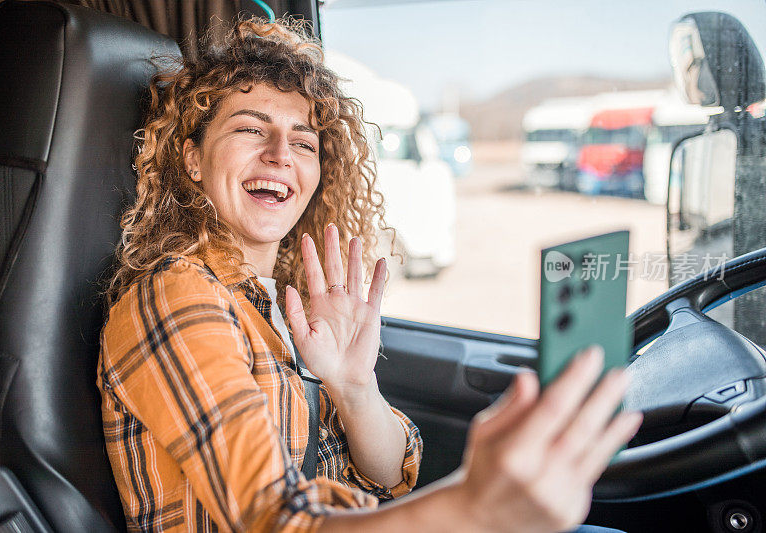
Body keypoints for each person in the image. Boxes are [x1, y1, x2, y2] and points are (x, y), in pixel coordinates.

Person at [98, 17, 642, 533]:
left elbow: (388, 479)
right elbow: (275, 517)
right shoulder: (176, 296)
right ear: (192, 160)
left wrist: (353, 387)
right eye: (249, 129)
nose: (281, 154)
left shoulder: (288, 303)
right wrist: (471, 508)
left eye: (304, 142)